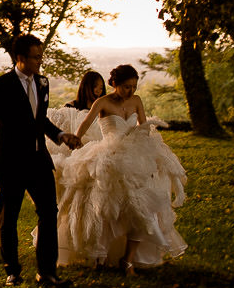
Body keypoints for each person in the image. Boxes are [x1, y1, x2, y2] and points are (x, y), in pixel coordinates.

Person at [56, 64, 187, 275]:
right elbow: (86, 123)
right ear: (114, 84)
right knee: (105, 207)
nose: (131, 91)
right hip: (109, 156)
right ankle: (100, 255)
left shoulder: (136, 101)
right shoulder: (103, 102)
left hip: (135, 156)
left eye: (134, 86)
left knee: (142, 207)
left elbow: (144, 128)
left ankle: (128, 259)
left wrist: (148, 153)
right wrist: (76, 141)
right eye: (126, 87)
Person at [0, 34, 82, 288]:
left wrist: (60, 135)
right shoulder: (1, 85)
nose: (40, 61)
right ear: (20, 58)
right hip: (10, 162)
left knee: (49, 213)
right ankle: (12, 271)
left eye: (41, 56)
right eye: (36, 57)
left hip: (39, 160)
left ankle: (47, 273)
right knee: (9, 216)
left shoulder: (43, 83)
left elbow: (40, 119)